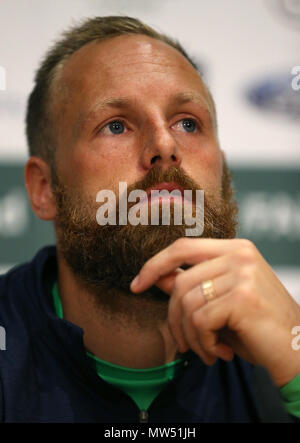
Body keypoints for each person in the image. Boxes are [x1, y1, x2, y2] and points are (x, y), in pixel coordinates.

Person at [0, 15, 299, 423]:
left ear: (223, 173)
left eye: (187, 123)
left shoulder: (284, 353)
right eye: (117, 126)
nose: (165, 144)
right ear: (44, 187)